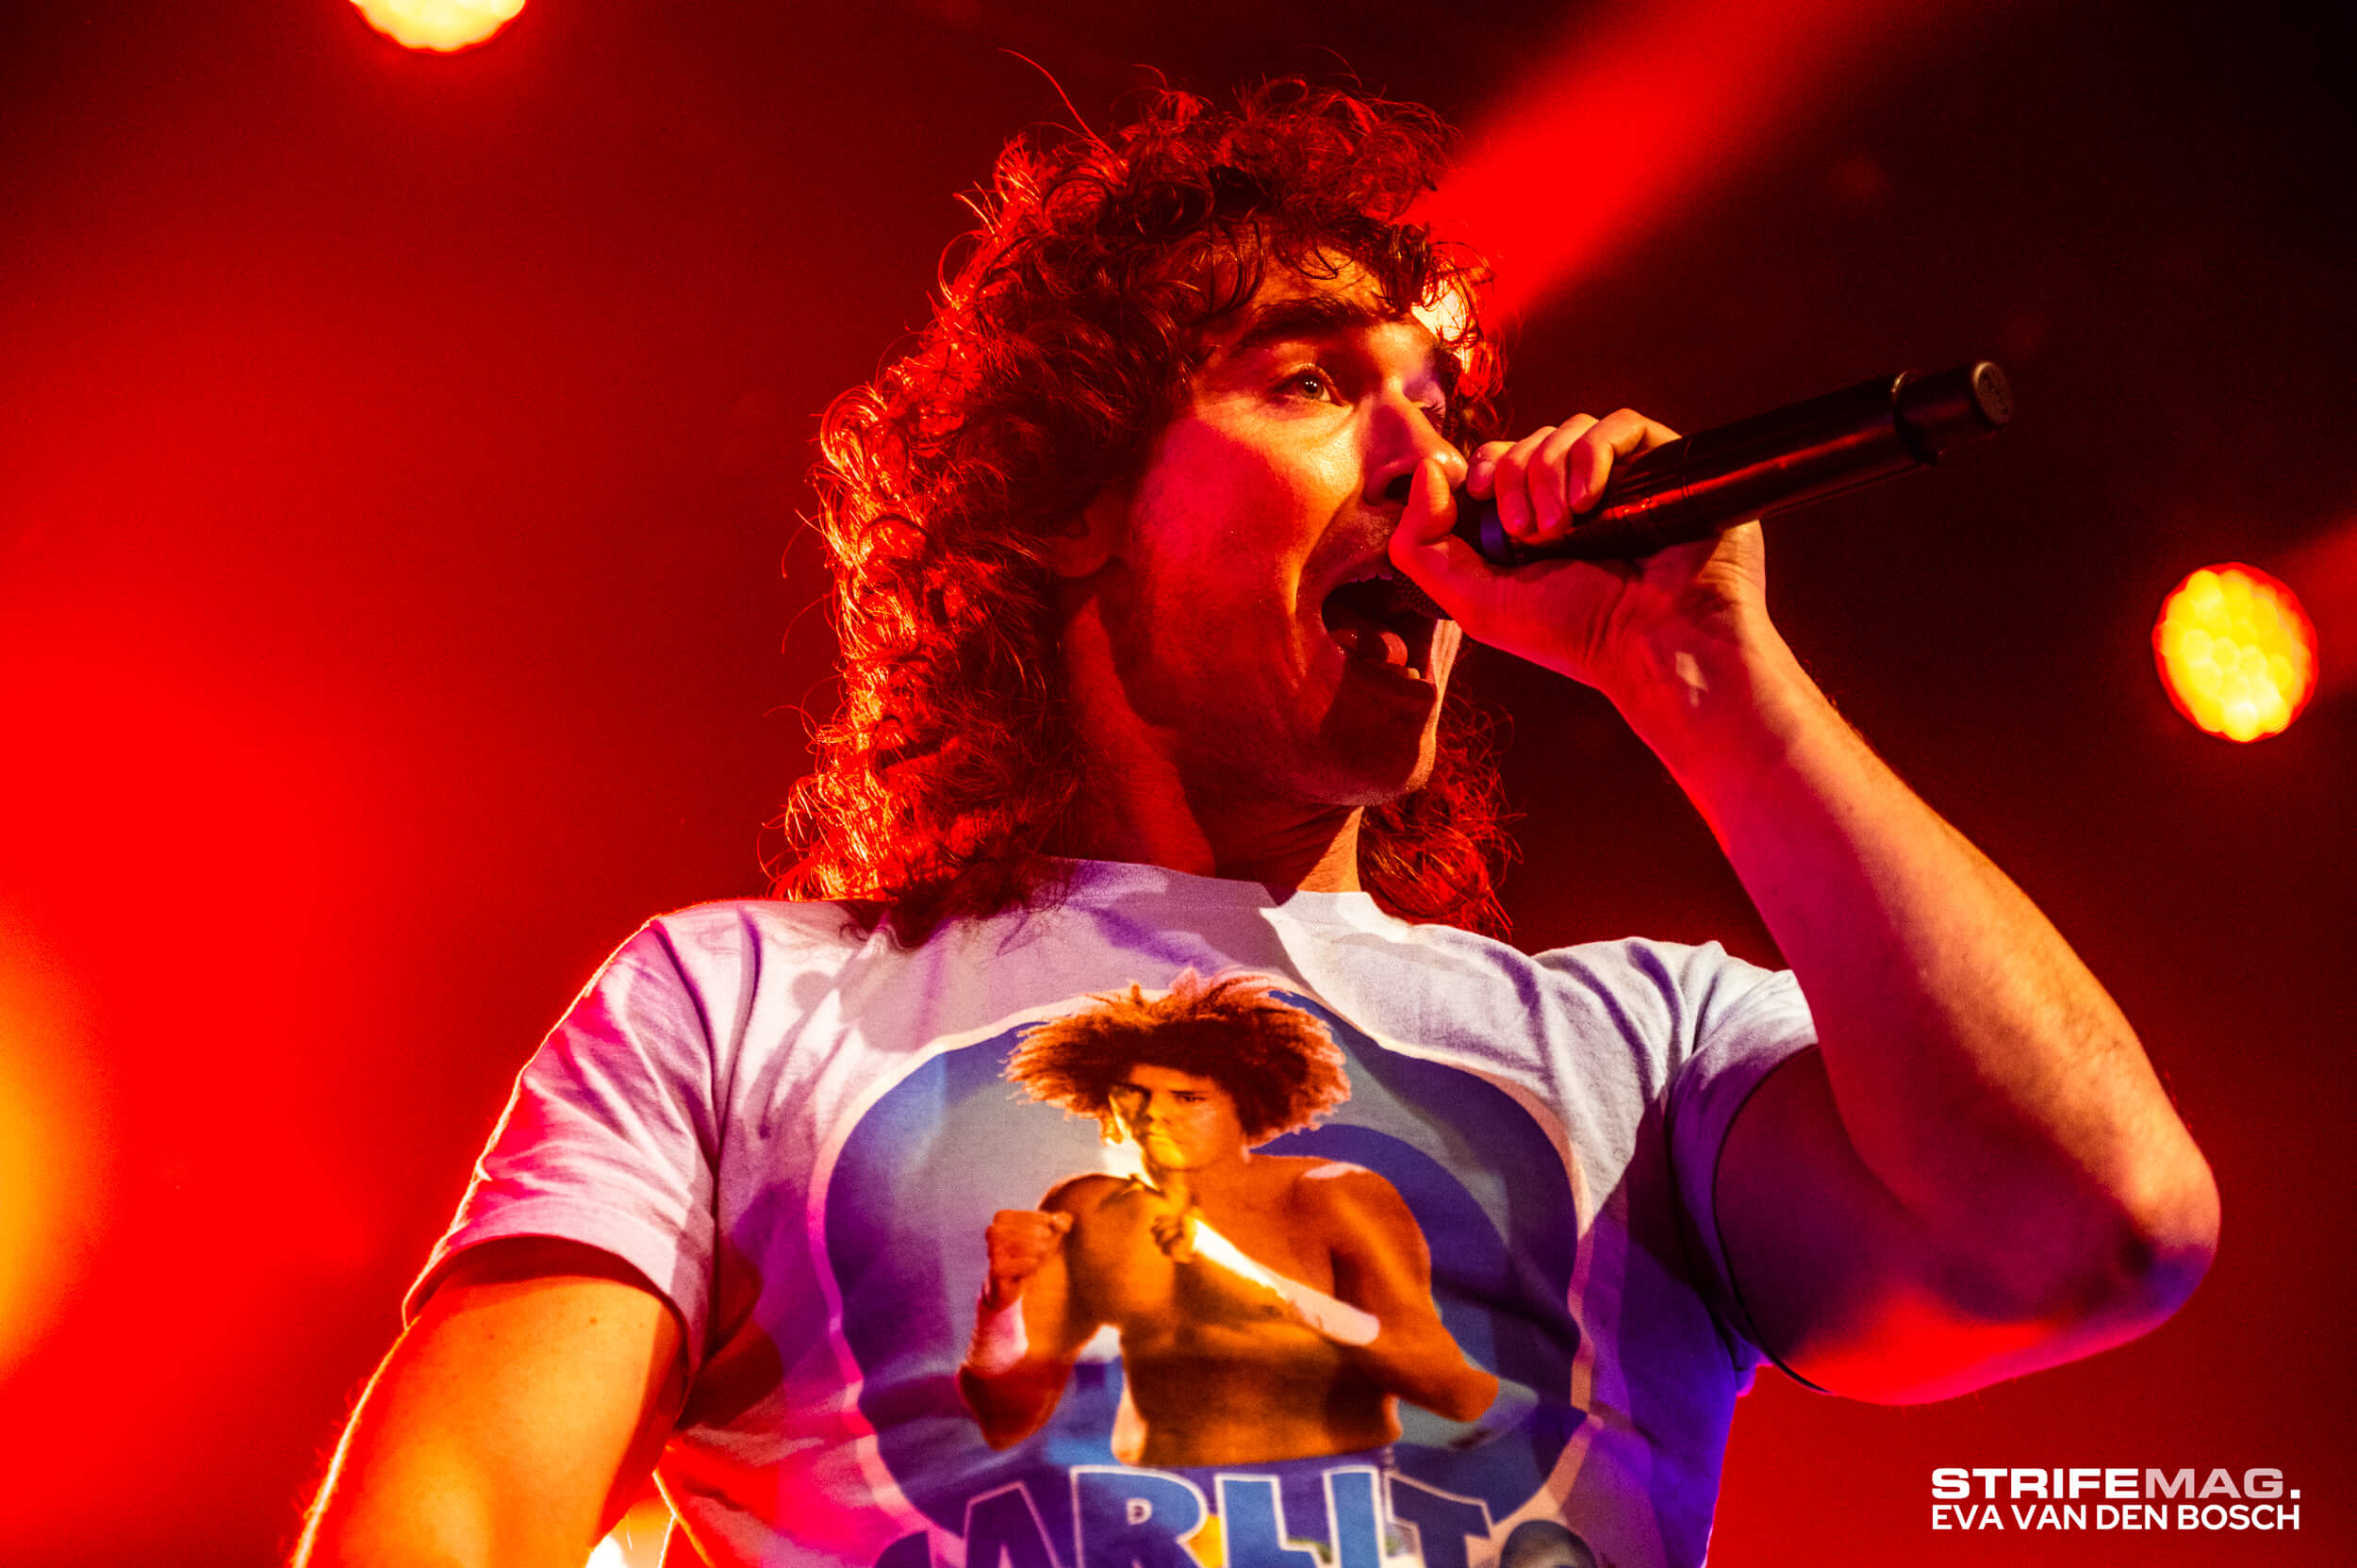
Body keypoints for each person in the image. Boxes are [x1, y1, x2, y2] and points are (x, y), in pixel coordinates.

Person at [293, 82, 2219, 1568]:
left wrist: (1707, 676)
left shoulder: (1639, 1052)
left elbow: (2097, 1225)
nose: (1425, 464)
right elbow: (447, 1520)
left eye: (1442, 403)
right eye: (1310, 383)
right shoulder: (740, 1010)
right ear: (1071, 503)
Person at [961, 970, 1502, 1466]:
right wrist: (999, 1303)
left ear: (1244, 1102)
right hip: (1163, 1514)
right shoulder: (1087, 1207)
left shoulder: (1329, 1196)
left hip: (1329, 1509)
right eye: (1134, 1094)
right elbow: (1007, 1421)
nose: (1155, 1113)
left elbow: (1454, 1395)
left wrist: (1255, 1281)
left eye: (1188, 1097)